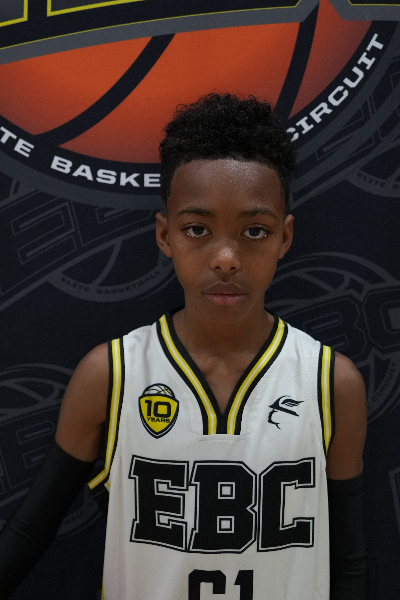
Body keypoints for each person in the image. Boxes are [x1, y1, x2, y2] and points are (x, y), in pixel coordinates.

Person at [0, 93, 367, 600]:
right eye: (197, 229)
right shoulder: (112, 375)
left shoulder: (331, 383)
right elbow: (28, 532)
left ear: (284, 237)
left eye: (254, 231)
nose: (226, 257)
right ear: (164, 234)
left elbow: (348, 564)